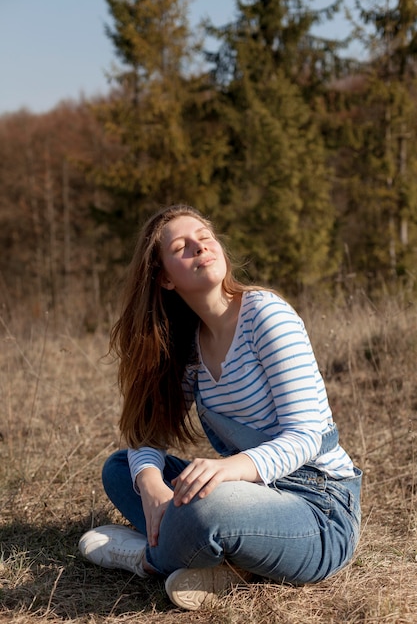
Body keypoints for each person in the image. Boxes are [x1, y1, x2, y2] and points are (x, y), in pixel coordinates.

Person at [78, 204, 362, 611]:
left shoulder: (266, 314)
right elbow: (149, 434)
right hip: (252, 496)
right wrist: (154, 486)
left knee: (203, 509)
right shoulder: (190, 346)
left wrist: (226, 470)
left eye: (205, 235)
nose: (201, 245)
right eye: (182, 246)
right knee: (124, 469)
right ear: (164, 278)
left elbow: (307, 436)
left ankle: (144, 558)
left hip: (319, 508)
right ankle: (231, 564)